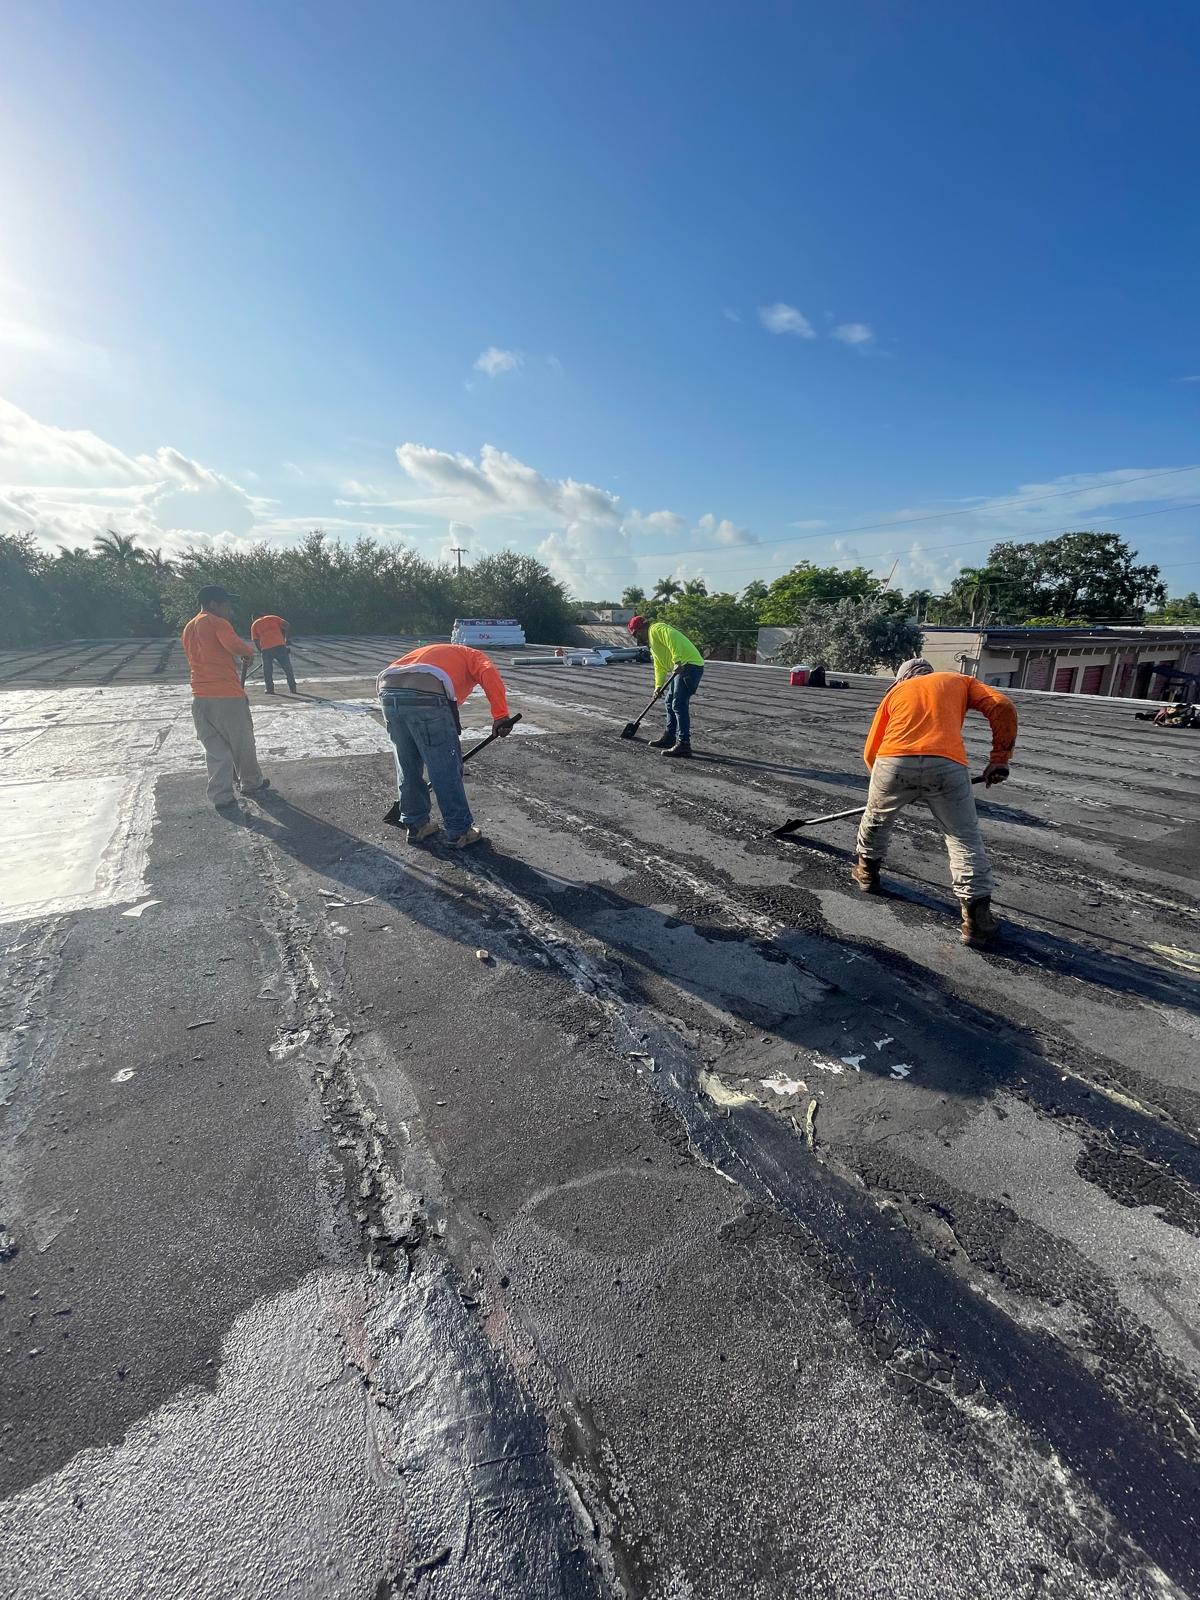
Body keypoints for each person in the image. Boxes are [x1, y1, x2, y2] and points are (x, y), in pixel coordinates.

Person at [853, 658, 1017, 946]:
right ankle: (976, 918)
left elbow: (872, 750)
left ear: (903, 678)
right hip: (947, 765)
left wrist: (889, 787)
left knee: (876, 816)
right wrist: (999, 760)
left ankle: (866, 873)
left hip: (892, 760)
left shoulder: (895, 693)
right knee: (963, 838)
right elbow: (1001, 706)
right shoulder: (960, 681)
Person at [376, 642, 514, 847]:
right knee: (444, 766)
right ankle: (460, 830)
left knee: (407, 765)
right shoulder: (474, 655)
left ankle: (415, 825)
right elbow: (488, 672)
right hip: (427, 696)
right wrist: (501, 715)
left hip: (389, 694)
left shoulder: (434, 652)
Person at [181, 586, 269, 811]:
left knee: (216, 750)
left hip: (200, 698)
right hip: (227, 697)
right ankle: (251, 783)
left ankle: (221, 796)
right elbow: (235, 646)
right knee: (242, 742)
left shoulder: (189, 628)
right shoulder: (215, 622)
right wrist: (247, 653)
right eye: (226, 605)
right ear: (213, 605)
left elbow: (211, 654)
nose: (229, 610)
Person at [627, 614, 705, 757]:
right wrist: (658, 686)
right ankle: (669, 737)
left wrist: (677, 660)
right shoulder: (653, 643)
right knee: (669, 701)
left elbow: (672, 638)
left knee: (679, 704)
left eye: (636, 634)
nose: (637, 638)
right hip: (684, 666)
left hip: (690, 666)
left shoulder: (656, 629)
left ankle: (684, 744)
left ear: (641, 629)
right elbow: (659, 665)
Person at [250, 612, 297, 694]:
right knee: (287, 668)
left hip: (266, 649)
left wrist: (261, 651)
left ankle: (270, 689)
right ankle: (293, 688)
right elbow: (287, 625)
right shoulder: (273, 618)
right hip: (280, 646)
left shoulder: (255, 624)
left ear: (254, 618)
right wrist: (286, 638)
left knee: (267, 671)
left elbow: (256, 640)